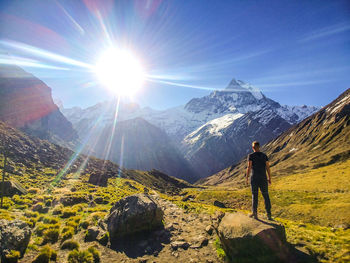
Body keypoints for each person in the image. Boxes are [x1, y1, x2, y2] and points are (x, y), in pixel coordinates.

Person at [246, 141, 272, 220]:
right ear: (259, 147)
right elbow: (267, 167)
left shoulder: (251, 156)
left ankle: (254, 213)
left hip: (254, 178)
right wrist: (269, 178)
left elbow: (249, 167)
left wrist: (247, 177)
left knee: (255, 195)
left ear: (253, 148)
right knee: (266, 195)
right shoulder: (264, 156)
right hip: (263, 178)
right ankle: (269, 214)